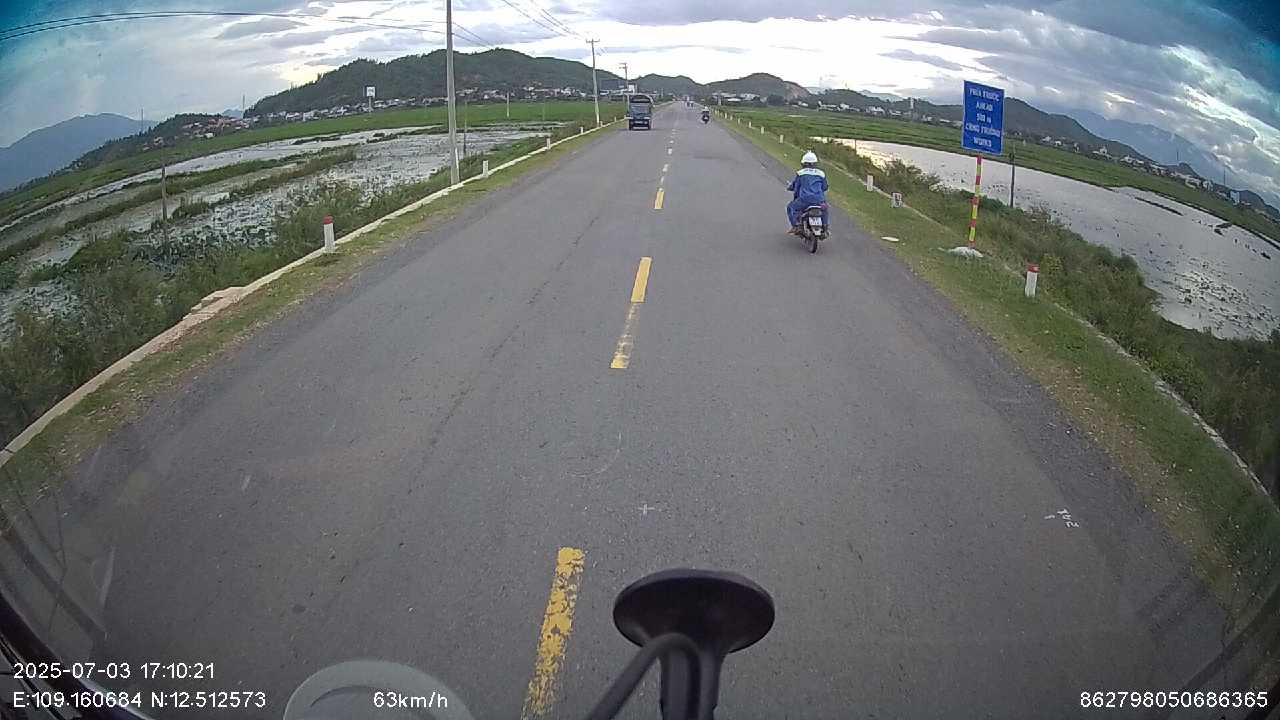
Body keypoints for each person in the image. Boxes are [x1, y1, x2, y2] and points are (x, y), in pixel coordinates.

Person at [786, 151, 829, 234]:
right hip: (820, 200)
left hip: (805, 200)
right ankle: (825, 228)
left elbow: (796, 187)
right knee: (824, 210)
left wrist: (792, 190)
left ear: (804, 163)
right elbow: (825, 187)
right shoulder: (821, 174)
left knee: (791, 207)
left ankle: (796, 226)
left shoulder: (801, 173)